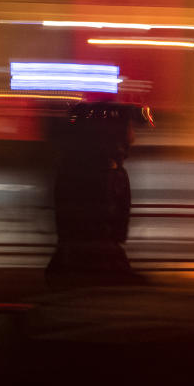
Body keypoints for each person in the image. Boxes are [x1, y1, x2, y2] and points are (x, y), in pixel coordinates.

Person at [46, 99, 153, 288]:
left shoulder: (77, 164)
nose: (134, 137)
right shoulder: (107, 171)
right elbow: (110, 219)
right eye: (130, 128)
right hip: (95, 260)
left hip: (75, 257)